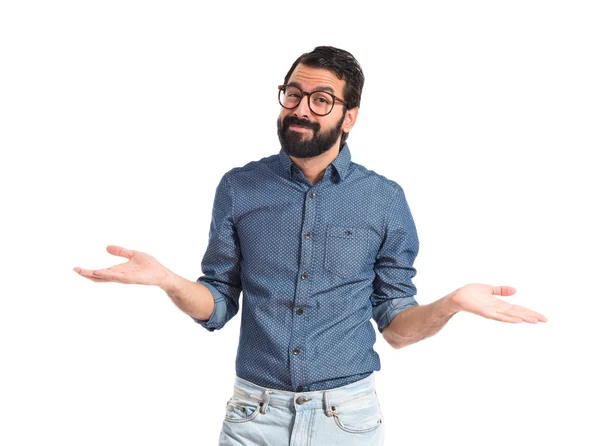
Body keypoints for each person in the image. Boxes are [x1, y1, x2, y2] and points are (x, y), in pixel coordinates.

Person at [73, 46, 547, 446]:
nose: (300, 108)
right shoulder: (239, 188)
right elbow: (217, 305)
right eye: (293, 94)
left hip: (348, 420)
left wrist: (453, 303)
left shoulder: (383, 199)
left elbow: (397, 330)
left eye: (321, 100)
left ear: (350, 117)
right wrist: (165, 280)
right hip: (251, 418)